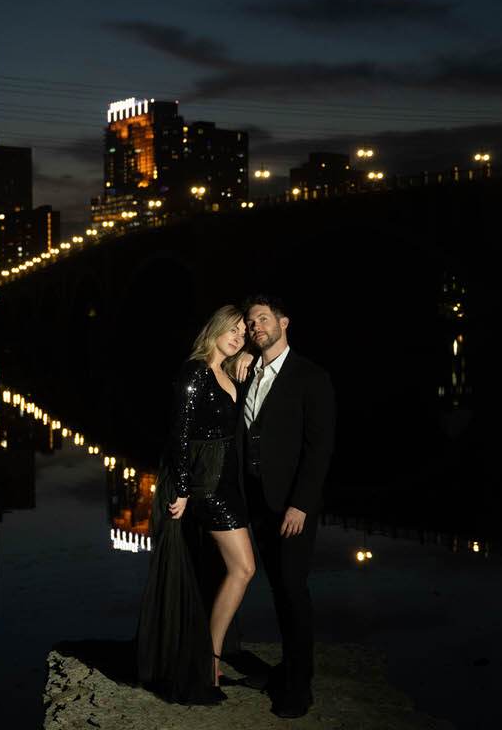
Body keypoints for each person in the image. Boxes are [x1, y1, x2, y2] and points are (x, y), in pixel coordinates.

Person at [136, 305, 257, 704]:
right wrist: (184, 490)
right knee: (244, 567)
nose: (239, 336)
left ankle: (209, 655)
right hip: (206, 485)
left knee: (226, 570)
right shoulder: (195, 372)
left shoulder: (228, 369)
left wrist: (247, 358)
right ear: (216, 328)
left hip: (229, 480)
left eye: (244, 332)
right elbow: (180, 435)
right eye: (234, 329)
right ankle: (210, 659)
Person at [237, 295, 335, 719]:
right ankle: (289, 666)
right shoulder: (247, 372)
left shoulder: (311, 377)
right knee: (278, 589)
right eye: (250, 321)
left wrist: (301, 504)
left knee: (294, 589)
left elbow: (320, 448)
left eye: (263, 318)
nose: (256, 326)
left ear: (284, 322)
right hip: (256, 500)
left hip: (292, 507)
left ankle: (300, 686)